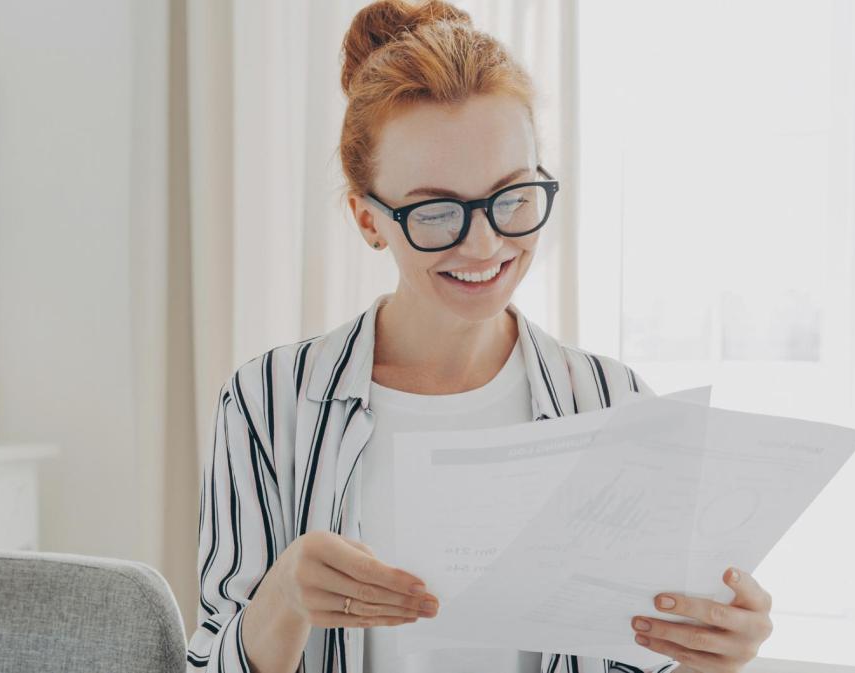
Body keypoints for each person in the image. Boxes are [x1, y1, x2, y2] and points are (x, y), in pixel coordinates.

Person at [185, 2, 774, 672]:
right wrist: (285, 595)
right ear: (368, 219)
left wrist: (709, 655)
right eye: (436, 211)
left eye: (513, 197)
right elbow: (208, 661)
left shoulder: (615, 401)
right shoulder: (268, 403)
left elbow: (641, 656)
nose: (485, 244)